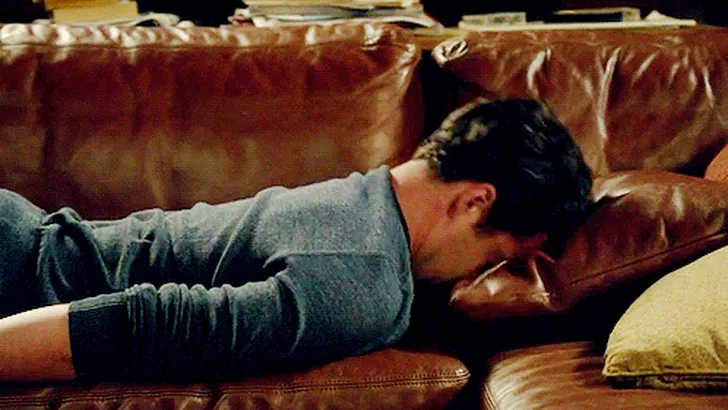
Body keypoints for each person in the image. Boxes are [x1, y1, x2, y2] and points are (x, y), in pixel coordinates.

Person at [0, 98, 593, 382]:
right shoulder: (363, 282)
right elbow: (142, 326)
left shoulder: (362, 199)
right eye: (495, 257)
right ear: (475, 202)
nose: (475, 277)